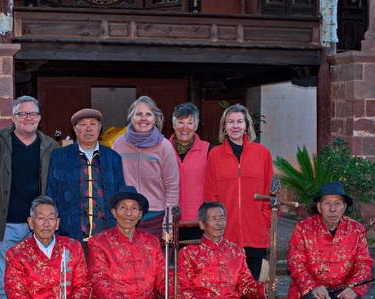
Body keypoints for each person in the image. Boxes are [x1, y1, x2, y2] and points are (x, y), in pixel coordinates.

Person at [0, 96, 58, 299]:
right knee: (2, 281)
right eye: (22, 114)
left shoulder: (50, 146)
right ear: (13, 118)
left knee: (36, 281)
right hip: (4, 224)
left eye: (33, 114)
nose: (28, 118)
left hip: (37, 227)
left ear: (40, 118)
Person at [287, 181, 373, 299]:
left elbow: (364, 264)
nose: (332, 208)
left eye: (338, 203)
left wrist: (355, 288)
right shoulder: (303, 228)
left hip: (344, 287)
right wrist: (312, 286)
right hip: (312, 288)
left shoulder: (356, 230)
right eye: (327, 203)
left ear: (344, 207)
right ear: (319, 206)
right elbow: (296, 263)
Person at [203, 103, 274, 283]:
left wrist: (265, 220)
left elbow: (271, 192)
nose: (235, 126)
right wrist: (214, 225)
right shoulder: (215, 155)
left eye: (239, 122)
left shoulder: (263, 154)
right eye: (230, 122)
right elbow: (210, 194)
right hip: (226, 232)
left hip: (255, 231)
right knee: (227, 284)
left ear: (246, 126)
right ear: (224, 127)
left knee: (251, 285)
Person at [46, 108, 125, 250]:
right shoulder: (60, 157)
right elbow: (52, 195)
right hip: (70, 234)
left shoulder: (113, 158)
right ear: (75, 129)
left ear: (100, 128)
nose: (88, 129)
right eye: (82, 124)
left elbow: (120, 197)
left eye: (93, 124)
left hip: (106, 235)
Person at [112, 96, 179, 237]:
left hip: (155, 218)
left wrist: (168, 222)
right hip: (126, 217)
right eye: (138, 114)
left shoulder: (164, 146)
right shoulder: (119, 144)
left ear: (155, 119)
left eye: (148, 114)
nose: (143, 119)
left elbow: (172, 186)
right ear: (131, 117)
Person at [169, 102, 210, 241]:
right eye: (180, 122)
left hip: (198, 222)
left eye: (190, 123)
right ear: (174, 125)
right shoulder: (162, 149)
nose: (185, 127)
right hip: (168, 221)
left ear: (196, 126)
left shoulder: (208, 150)